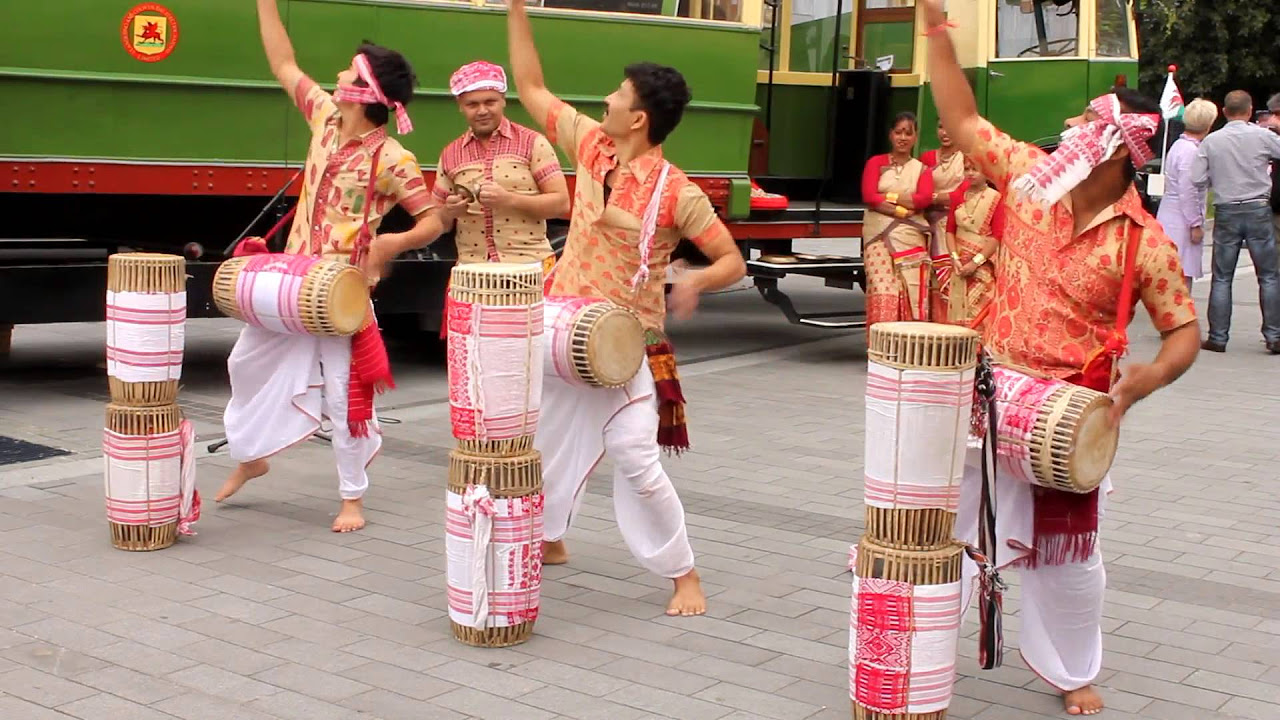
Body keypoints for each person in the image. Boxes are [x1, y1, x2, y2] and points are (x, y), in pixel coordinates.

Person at [921, 0, 1200, 714]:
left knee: (1069, 561)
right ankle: (919, 654)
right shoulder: (1030, 182)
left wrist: (1147, 379)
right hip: (986, 397)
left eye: (1085, 121)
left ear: (1112, 150)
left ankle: (1073, 670)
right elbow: (960, 122)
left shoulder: (1146, 243)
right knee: (938, 531)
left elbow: (1183, 334)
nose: (1069, 128)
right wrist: (937, 35)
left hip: (1069, 417)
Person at [504, 0, 747, 616]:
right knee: (542, 438)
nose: (604, 101)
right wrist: (514, 7)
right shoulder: (590, 146)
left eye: (616, 94)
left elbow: (732, 262)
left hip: (625, 345)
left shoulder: (678, 193)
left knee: (636, 458)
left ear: (637, 118)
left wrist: (693, 279)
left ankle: (683, 573)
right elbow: (529, 84)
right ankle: (550, 537)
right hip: (563, 330)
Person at [216, 0, 447, 533]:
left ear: (363, 93)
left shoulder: (392, 159)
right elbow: (283, 62)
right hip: (294, 283)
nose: (337, 75)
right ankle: (252, 454)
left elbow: (432, 220)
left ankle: (352, 497)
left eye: (348, 70)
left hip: (341, 294)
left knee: (346, 396)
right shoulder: (323, 117)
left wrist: (392, 245)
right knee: (243, 363)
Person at [431, 60, 571, 338]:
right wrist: (449, 211)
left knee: (527, 359)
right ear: (461, 106)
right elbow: (436, 222)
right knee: (475, 361)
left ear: (503, 101)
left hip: (528, 273)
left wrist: (510, 199)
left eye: (490, 102)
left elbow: (561, 203)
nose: (482, 110)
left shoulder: (532, 142)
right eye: (473, 104)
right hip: (473, 277)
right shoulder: (450, 154)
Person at [1191, 90, 1280, 354]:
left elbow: (1196, 179)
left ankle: (1218, 337)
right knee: (1268, 276)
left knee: (1222, 277)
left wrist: (1217, 177)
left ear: (1224, 112)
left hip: (1227, 210)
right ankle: (1274, 336)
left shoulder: (1211, 141)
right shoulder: (1263, 136)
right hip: (1258, 209)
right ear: (1250, 110)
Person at [860, 112, 935, 327]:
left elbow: (923, 200)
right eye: (898, 132)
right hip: (877, 234)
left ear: (915, 137)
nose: (903, 137)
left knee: (910, 287)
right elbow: (869, 196)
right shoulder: (876, 163)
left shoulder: (921, 170)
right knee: (884, 289)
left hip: (910, 235)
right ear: (890, 135)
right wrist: (902, 208)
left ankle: (908, 348)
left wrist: (885, 198)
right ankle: (882, 348)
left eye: (908, 133)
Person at [1156, 98, 1217, 294]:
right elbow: (1188, 191)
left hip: (1170, 213)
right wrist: (1195, 224)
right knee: (1181, 274)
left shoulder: (1179, 145)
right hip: (1181, 219)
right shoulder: (1191, 152)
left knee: (1171, 273)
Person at [935, 158, 1001, 330]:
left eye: (975, 169)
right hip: (959, 265)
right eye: (967, 169)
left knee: (980, 314)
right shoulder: (958, 196)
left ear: (987, 172)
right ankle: (959, 354)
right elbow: (950, 230)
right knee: (957, 313)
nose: (970, 173)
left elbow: (996, 236)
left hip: (982, 265)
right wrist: (955, 259)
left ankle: (979, 353)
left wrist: (975, 263)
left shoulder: (995, 198)